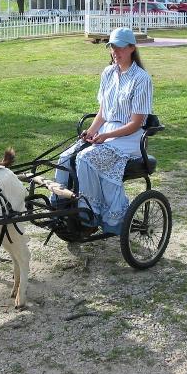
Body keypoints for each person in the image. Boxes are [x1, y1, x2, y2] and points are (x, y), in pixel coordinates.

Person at [51, 27, 153, 234]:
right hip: (105, 133)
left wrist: (107, 135)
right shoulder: (108, 73)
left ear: (132, 48)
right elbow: (103, 112)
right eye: (112, 47)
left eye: (120, 48)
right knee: (65, 156)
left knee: (85, 158)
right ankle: (61, 205)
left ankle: (90, 212)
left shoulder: (141, 79)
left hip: (129, 138)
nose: (115, 52)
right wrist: (91, 131)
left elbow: (136, 123)